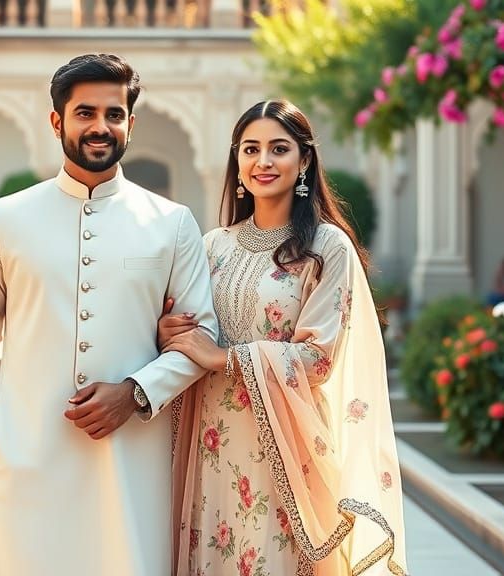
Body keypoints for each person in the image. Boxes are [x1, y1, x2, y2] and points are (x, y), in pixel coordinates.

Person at [0, 54, 218, 576]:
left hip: (129, 459)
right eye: (85, 113)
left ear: (130, 124)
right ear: (57, 122)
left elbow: (202, 335)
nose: (101, 127)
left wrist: (135, 392)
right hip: (24, 458)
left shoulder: (172, 223)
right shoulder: (5, 219)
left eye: (114, 114)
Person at [160, 100, 409, 575]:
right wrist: (167, 331)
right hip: (210, 450)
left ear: (305, 160)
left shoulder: (326, 247)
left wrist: (222, 360)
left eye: (279, 148)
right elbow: (187, 331)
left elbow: (318, 358)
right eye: (251, 149)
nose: (264, 161)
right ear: (237, 161)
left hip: (285, 453)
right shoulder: (214, 245)